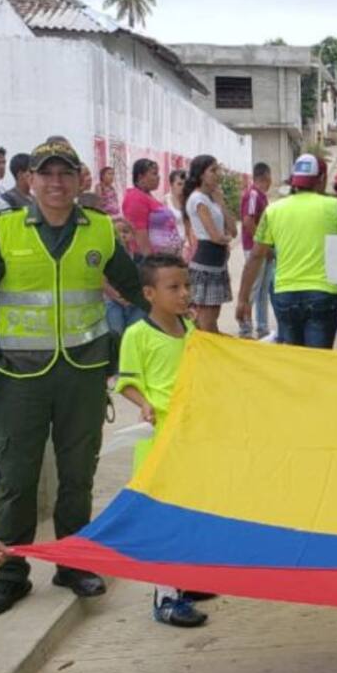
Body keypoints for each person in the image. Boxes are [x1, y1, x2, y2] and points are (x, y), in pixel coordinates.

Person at [0, 139, 146, 617]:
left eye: (66, 174)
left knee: (78, 474)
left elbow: (135, 286)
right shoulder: (5, 230)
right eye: (46, 174)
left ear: (80, 180)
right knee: (17, 476)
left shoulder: (99, 230)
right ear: (30, 180)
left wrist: (178, 329)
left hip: (82, 372)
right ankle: (12, 573)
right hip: (20, 376)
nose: (56, 183)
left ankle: (72, 564)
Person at [115, 253, 208, 628]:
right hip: (161, 441)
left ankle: (185, 582)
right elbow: (128, 381)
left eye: (187, 286)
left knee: (191, 512)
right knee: (164, 519)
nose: (184, 293)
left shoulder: (192, 331)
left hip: (193, 437)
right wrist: (145, 405)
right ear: (150, 293)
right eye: (174, 287)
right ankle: (165, 597)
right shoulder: (138, 335)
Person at [238, 154, 337, 349]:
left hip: (285, 295)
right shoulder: (336, 207)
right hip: (323, 295)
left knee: (295, 363)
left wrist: (243, 299)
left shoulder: (273, 210)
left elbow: (255, 256)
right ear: (322, 179)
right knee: (316, 364)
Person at [182, 155, 234, 333]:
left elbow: (233, 230)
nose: (217, 174)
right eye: (213, 170)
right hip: (206, 265)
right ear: (201, 175)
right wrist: (226, 238)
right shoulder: (198, 199)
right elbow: (215, 236)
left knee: (212, 318)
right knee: (207, 322)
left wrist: (221, 202)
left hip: (217, 264)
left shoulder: (212, 199)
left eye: (217, 169)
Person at [238, 163, 273, 340]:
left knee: (262, 289)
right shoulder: (253, 195)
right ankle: (245, 326)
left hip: (262, 248)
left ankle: (262, 326)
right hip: (254, 248)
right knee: (253, 288)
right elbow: (248, 222)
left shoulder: (261, 196)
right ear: (266, 177)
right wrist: (262, 245)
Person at [123, 158, 181, 257]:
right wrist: (151, 261)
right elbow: (140, 234)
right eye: (154, 174)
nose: (159, 177)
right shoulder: (135, 197)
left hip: (164, 258)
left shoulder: (147, 196)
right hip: (149, 260)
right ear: (141, 177)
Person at [104, 217, 145, 336]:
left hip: (136, 303)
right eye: (116, 233)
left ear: (132, 234)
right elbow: (103, 281)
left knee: (135, 334)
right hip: (113, 302)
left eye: (125, 231)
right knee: (117, 333)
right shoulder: (107, 258)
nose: (122, 235)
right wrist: (117, 296)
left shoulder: (139, 258)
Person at [166, 168, 190, 260]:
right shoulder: (166, 201)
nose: (183, 187)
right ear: (172, 185)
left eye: (185, 184)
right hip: (171, 246)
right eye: (179, 184)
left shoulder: (189, 201)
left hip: (187, 245)